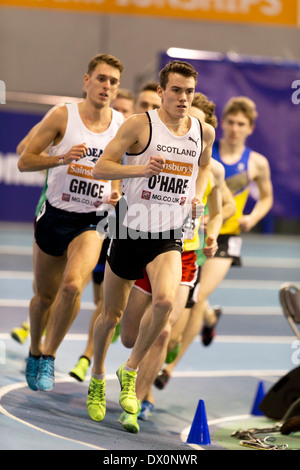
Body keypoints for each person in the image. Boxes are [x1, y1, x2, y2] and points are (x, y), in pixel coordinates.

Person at [86, 60, 214, 423]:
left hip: (169, 233)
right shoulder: (139, 125)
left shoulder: (203, 132)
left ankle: (130, 371)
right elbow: (101, 168)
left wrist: (198, 195)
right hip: (130, 227)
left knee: (165, 301)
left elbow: (203, 166)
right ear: (161, 92)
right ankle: (97, 375)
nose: (183, 98)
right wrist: (140, 169)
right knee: (110, 316)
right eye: (176, 90)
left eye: (189, 91)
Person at [117, 93, 236, 432]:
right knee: (129, 335)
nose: (187, 128)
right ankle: (130, 367)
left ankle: (138, 401)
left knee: (164, 330)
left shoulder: (213, 168)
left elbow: (225, 206)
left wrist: (211, 231)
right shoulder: (160, 149)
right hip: (149, 243)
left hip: (184, 256)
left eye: (196, 124)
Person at [17, 53, 124, 392]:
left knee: (73, 286)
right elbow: (24, 161)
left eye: (114, 82)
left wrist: (118, 191)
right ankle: (35, 350)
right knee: (44, 296)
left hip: (92, 220)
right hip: (55, 214)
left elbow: (123, 170)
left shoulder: (123, 125)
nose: (107, 86)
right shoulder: (63, 115)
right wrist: (62, 158)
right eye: (102, 79)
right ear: (87, 80)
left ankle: (49, 356)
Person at [155, 95, 273, 390]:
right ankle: (209, 318)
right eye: (230, 122)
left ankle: (169, 366)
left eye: (241, 124)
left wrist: (254, 217)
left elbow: (268, 197)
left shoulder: (257, 163)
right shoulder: (208, 149)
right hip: (194, 231)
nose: (234, 128)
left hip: (227, 236)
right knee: (196, 296)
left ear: (250, 128)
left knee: (196, 294)